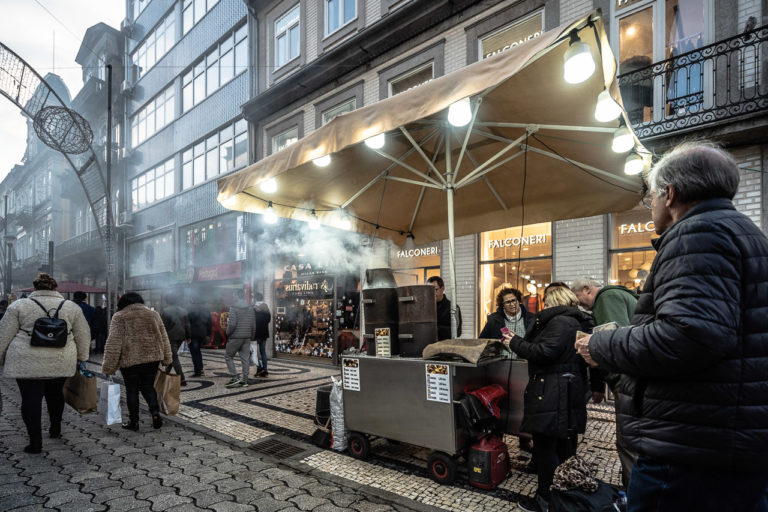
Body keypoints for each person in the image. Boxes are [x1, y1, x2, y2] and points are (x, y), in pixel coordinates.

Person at [575, 143, 768, 511]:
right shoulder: (745, 232)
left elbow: (689, 336)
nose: (651, 206)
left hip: (690, 448)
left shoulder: (698, 234)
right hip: (724, 439)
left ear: (671, 193)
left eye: (651, 197)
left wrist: (602, 346)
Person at [504, 286, 592, 512]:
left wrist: (514, 342)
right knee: (561, 446)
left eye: (546, 301)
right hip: (562, 388)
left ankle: (545, 499)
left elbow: (544, 352)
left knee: (546, 448)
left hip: (552, 390)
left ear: (553, 301)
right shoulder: (572, 321)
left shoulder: (561, 322)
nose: (543, 304)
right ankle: (562, 494)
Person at [0, 273, 90, 453]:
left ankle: (35, 442)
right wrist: (82, 357)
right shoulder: (70, 307)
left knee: (30, 399)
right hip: (61, 359)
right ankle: (55, 428)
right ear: (55, 288)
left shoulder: (19, 306)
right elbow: (83, 334)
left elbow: (3, 335)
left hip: (26, 360)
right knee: (55, 394)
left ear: (35, 288)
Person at [571, 276, 639, 487]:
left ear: (586, 289)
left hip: (628, 380)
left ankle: (634, 495)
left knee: (628, 442)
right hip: (635, 377)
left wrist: (593, 352)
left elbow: (615, 339)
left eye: (578, 297)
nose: (580, 304)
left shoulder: (606, 298)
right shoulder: (620, 294)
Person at [101, 292, 172, 432]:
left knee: (132, 390)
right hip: (152, 359)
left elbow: (114, 342)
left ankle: (134, 422)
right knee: (148, 387)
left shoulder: (120, 316)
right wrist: (167, 358)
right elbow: (164, 337)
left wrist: (109, 366)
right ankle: (155, 414)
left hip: (130, 360)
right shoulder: (153, 314)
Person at [225, 289, 255, 388]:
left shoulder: (233, 307)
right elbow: (253, 324)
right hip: (247, 336)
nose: (233, 297)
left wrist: (227, 333)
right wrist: (252, 336)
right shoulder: (250, 308)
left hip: (235, 337)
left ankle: (234, 377)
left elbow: (232, 324)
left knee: (228, 356)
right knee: (245, 359)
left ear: (237, 296)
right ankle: (244, 380)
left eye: (234, 295)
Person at [160, 294, 190, 386]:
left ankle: (182, 379)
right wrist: (188, 336)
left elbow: (163, 326)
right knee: (172, 355)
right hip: (181, 336)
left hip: (170, 337)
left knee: (173, 357)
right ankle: (166, 373)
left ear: (167, 301)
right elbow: (187, 325)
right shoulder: (183, 310)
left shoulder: (166, 311)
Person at [427, 276, 462, 340]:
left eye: (435, 290)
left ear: (442, 288)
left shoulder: (453, 307)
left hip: (445, 347)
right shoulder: (426, 308)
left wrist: (436, 328)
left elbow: (457, 331)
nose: (432, 293)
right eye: (429, 290)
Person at [186, 297, 212, 377]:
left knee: (195, 353)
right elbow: (209, 323)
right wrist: (208, 334)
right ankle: (200, 369)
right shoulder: (206, 309)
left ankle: (198, 371)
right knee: (198, 352)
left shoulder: (190, 309)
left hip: (193, 334)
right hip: (203, 334)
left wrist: (187, 335)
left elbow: (187, 323)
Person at [252, 292, 271, 378]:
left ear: (255, 299)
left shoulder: (254, 308)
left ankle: (259, 368)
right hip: (264, 333)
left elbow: (252, 321)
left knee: (253, 353)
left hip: (256, 333)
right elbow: (268, 320)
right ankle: (265, 370)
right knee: (263, 352)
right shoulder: (266, 308)